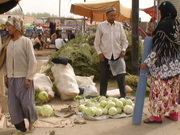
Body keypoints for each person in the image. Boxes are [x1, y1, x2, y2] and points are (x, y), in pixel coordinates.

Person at [141, 1, 180, 124]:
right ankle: (173, 113)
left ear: (164, 12)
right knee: (173, 91)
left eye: (160, 11)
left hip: (162, 67)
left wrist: (147, 63)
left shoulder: (164, 25)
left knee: (158, 91)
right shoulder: (176, 23)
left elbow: (158, 47)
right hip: (176, 65)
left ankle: (156, 116)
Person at [4, 16, 38, 134]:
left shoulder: (26, 41)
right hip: (11, 79)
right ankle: (20, 127)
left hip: (24, 78)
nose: (7, 27)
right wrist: (5, 76)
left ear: (17, 26)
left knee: (27, 103)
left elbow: (32, 61)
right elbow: (4, 60)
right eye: (7, 25)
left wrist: (29, 78)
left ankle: (32, 121)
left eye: (9, 25)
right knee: (13, 105)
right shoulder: (7, 43)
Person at [94, 7, 128, 98]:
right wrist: (99, 53)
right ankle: (102, 96)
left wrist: (123, 50)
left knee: (121, 76)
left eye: (114, 15)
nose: (113, 17)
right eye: (111, 15)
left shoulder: (119, 26)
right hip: (105, 55)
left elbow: (124, 41)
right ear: (107, 16)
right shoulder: (101, 26)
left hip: (117, 55)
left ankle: (123, 96)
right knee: (104, 76)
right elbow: (96, 42)